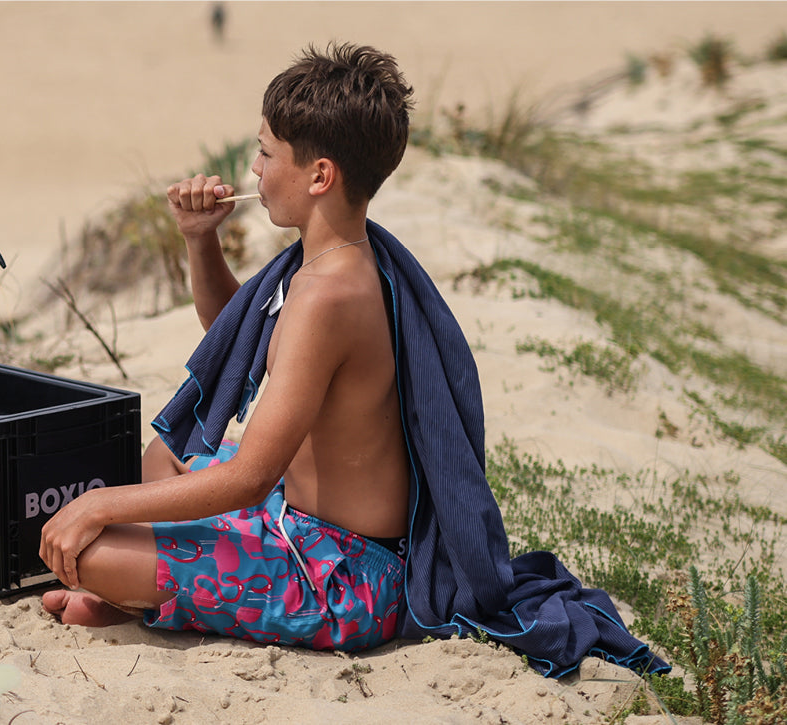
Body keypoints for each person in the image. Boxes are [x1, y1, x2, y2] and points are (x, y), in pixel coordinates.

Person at [40, 42, 669, 675]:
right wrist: (201, 240)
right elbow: (241, 338)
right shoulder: (336, 261)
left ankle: (140, 596)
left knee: (94, 549)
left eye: (266, 153)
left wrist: (100, 504)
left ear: (320, 176)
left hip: (344, 575)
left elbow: (250, 478)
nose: (254, 170)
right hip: (298, 517)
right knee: (163, 457)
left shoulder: (329, 296)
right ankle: (147, 596)